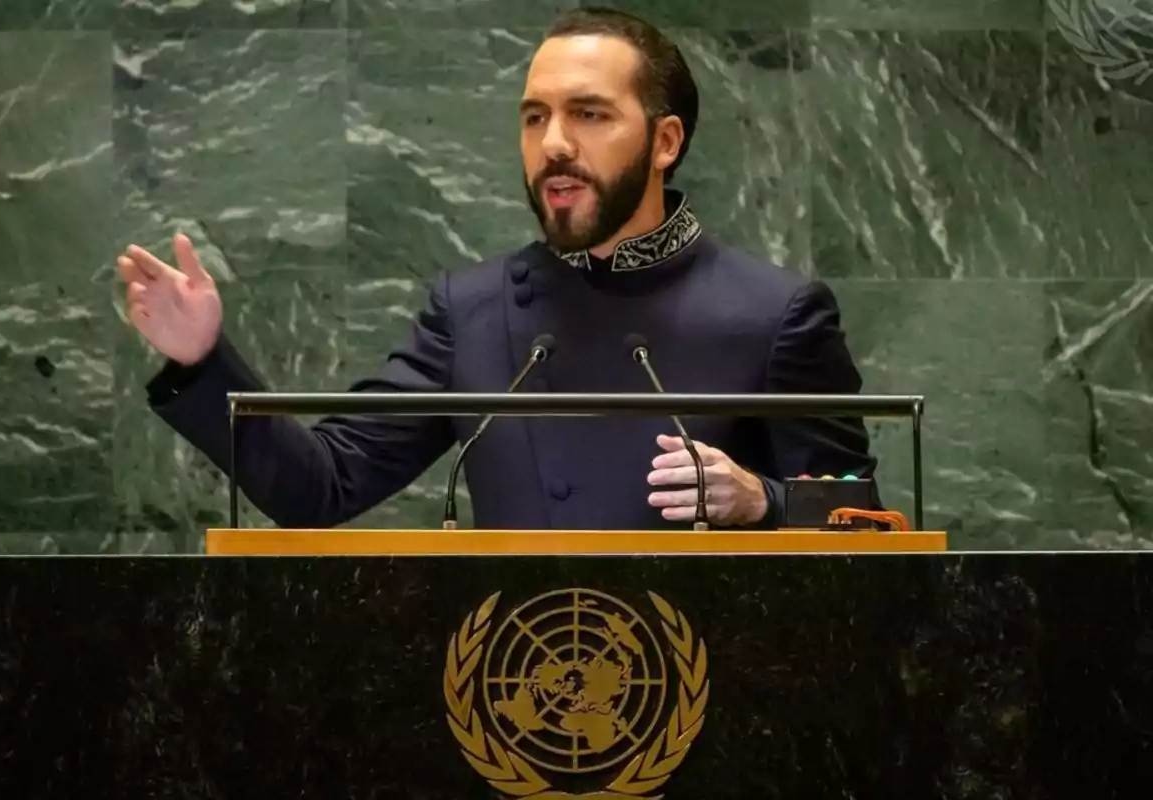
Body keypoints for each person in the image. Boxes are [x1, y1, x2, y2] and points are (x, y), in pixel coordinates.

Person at [116, 7, 878, 531]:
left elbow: (862, 520)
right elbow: (321, 485)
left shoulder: (775, 313)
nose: (552, 143)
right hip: (516, 699)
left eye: (589, 114)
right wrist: (204, 361)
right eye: (535, 116)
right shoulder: (472, 309)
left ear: (665, 142)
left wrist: (764, 501)